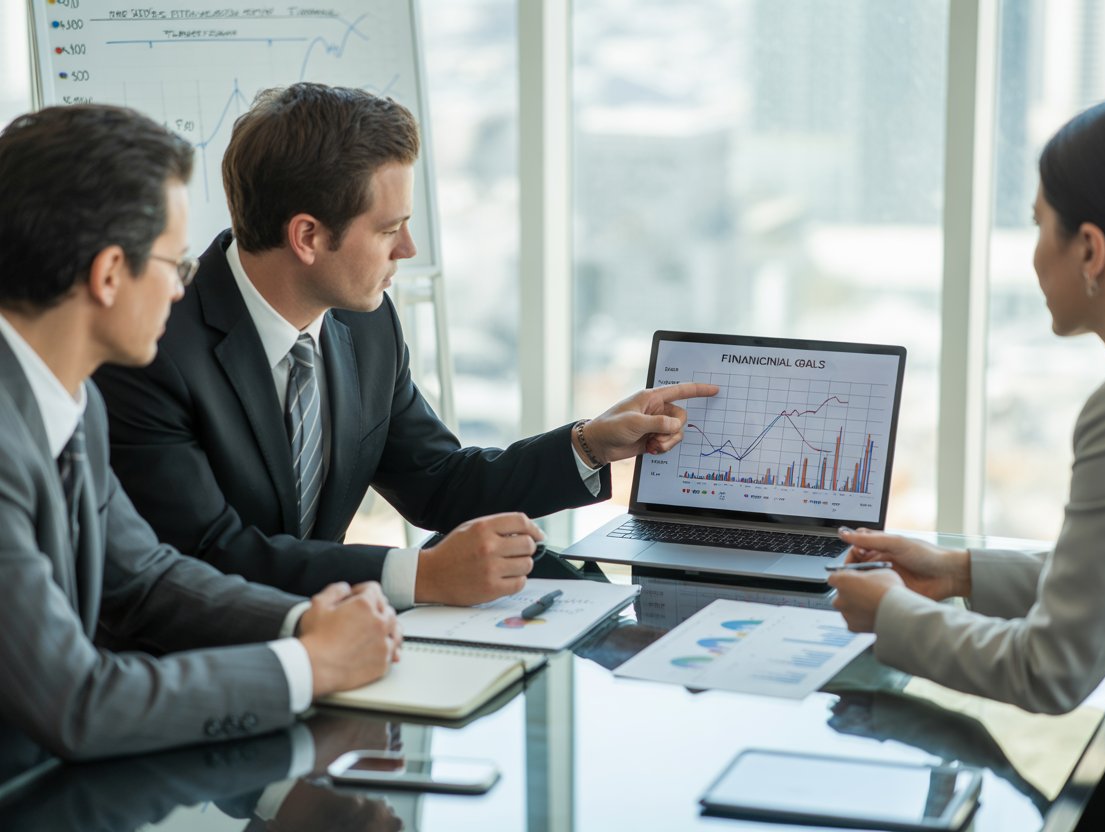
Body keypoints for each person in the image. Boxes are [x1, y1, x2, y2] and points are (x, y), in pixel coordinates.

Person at [94, 82, 715, 609]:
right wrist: (416, 575)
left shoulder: (365, 324)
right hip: (201, 669)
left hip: (335, 644)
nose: (407, 250)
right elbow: (208, 556)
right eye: (390, 229)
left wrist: (588, 443)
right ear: (308, 236)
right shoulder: (151, 350)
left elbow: (437, 483)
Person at [828, 92, 1105, 832]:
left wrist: (892, 615)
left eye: (1040, 226)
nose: (1033, 252)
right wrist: (960, 573)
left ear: (1091, 250)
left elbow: (1052, 668)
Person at [0, 103, 400, 761]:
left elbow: (147, 579)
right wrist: (309, 667)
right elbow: (76, 701)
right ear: (107, 276)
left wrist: (304, 623)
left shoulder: (71, 401)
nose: (183, 293)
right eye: (175, 266)